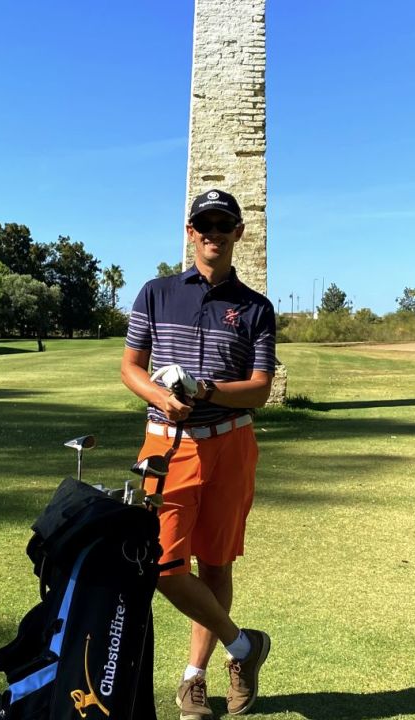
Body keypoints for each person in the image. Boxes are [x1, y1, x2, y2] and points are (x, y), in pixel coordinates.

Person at [120, 188, 277, 719]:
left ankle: (194, 678)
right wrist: (161, 395)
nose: (213, 234)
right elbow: (130, 367)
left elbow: (259, 389)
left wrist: (204, 389)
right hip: (167, 446)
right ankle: (244, 645)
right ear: (190, 232)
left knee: (215, 562)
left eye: (223, 225)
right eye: (203, 225)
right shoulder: (156, 292)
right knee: (163, 566)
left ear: (238, 233)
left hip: (231, 445)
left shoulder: (256, 307)